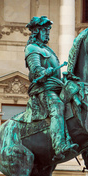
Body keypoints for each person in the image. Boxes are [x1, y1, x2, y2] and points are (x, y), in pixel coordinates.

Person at [25, 16, 78, 161]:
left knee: (79, 103)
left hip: (57, 87)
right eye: (44, 30)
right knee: (58, 106)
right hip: (43, 90)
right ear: (36, 31)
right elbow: (35, 70)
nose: (47, 33)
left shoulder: (47, 49)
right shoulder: (32, 48)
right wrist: (43, 72)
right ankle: (59, 145)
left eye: (48, 30)